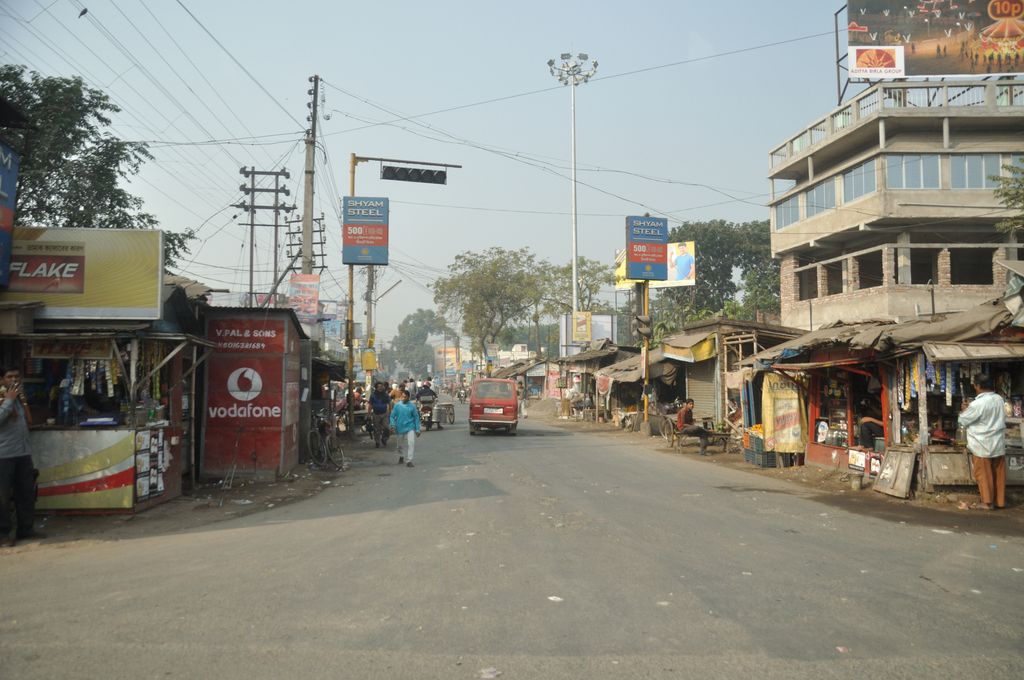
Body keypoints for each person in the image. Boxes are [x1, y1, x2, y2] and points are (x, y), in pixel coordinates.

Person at [0, 367, 43, 547]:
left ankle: (26, 529)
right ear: (2, 380)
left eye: (17, 376)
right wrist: (8, 401)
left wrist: (16, 400)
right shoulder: (6, 398)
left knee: (26, 493)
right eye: (9, 377)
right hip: (4, 455)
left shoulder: (19, 398)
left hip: (23, 453)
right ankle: (3, 534)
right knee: (2, 497)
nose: (14, 380)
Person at [958, 374, 1007, 511]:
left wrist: (964, 410)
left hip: (982, 444)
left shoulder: (978, 404)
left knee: (984, 474)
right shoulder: (999, 399)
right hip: (998, 443)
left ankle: (987, 503)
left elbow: (963, 420)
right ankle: (999, 501)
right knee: (998, 474)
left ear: (977, 386)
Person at [389, 389, 421, 468]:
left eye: (405, 397)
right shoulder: (397, 406)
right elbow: (392, 416)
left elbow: (416, 417)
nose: (403, 398)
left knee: (411, 443)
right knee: (399, 445)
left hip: (410, 427)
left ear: (408, 397)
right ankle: (401, 456)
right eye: (402, 397)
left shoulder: (412, 406)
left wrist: (417, 429)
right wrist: (392, 425)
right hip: (399, 427)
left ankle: (409, 460)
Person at [368, 382, 392, 449]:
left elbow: (390, 402)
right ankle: (377, 442)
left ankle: (384, 439)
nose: (380, 388)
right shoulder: (373, 395)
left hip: (385, 414)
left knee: (387, 428)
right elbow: (370, 405)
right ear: (376, 388)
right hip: (376, 414)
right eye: (378, 387)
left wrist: (390, 411)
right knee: (377, 429)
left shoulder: (385, 395)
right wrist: (369, 414)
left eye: (381, 386)